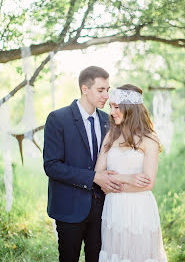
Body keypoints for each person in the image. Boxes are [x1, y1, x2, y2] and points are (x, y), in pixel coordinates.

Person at [43, 66, 123, 262]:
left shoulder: (108, 121)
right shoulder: (58, 119)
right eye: (101, 90)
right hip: (69, 207)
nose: (106, 95)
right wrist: (93, 177)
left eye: (108, 89)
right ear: (84, 89)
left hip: (103, 207)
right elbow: (51, 166)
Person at [95, 84, 168, 262]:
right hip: (113, 208)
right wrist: (127, 178)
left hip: (139, 208)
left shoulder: (149, 139)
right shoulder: (111, 135)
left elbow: (147, 184)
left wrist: (111, 185)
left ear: (131, 108)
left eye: (117, 107)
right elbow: (98, 173)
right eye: (111, 107)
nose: (112, 112)